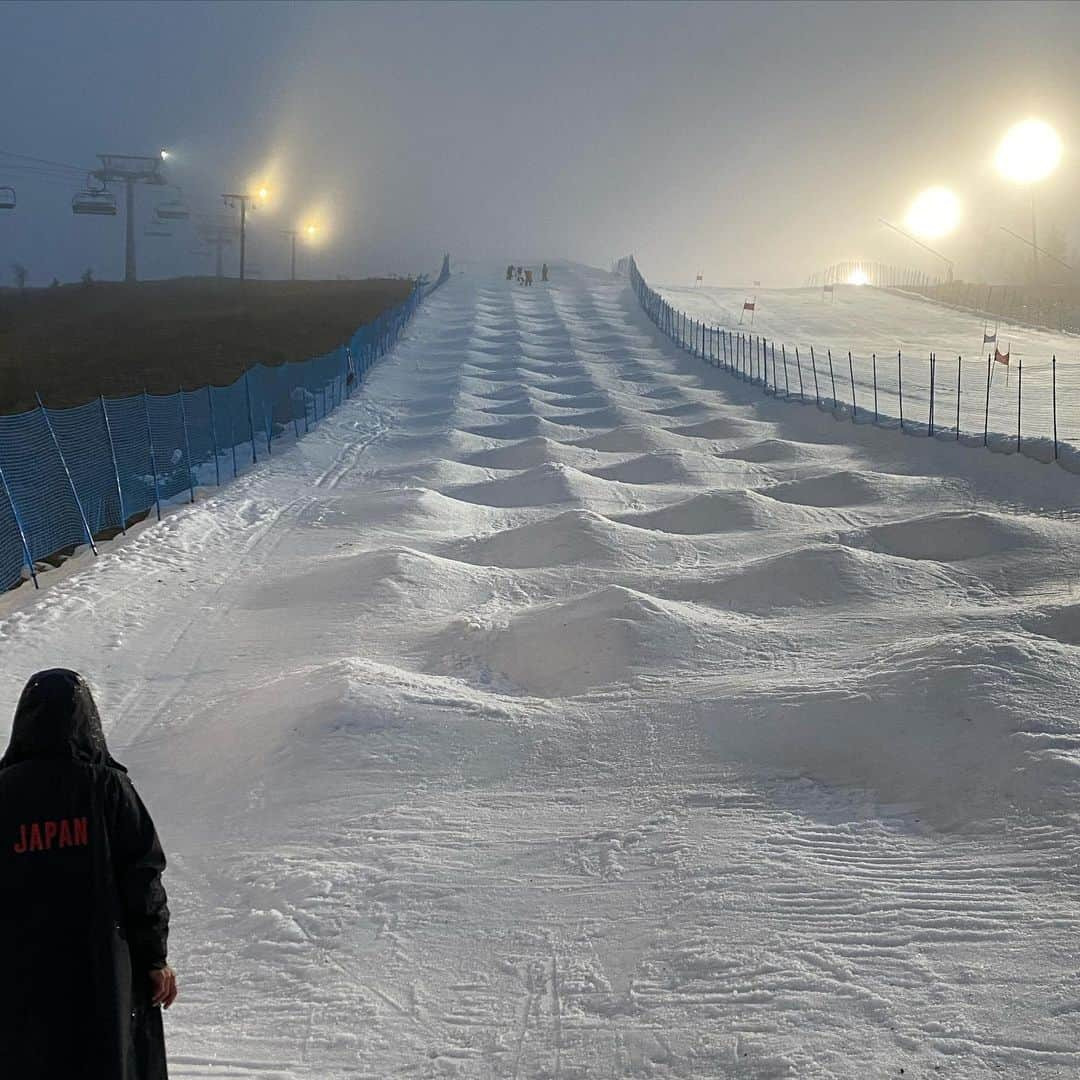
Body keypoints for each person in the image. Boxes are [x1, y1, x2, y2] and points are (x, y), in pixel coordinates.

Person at [0, 669, 176, 1079]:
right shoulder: (108, 787)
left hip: (19, 973)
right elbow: (142, 874)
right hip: (102, 971)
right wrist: (154, 958)